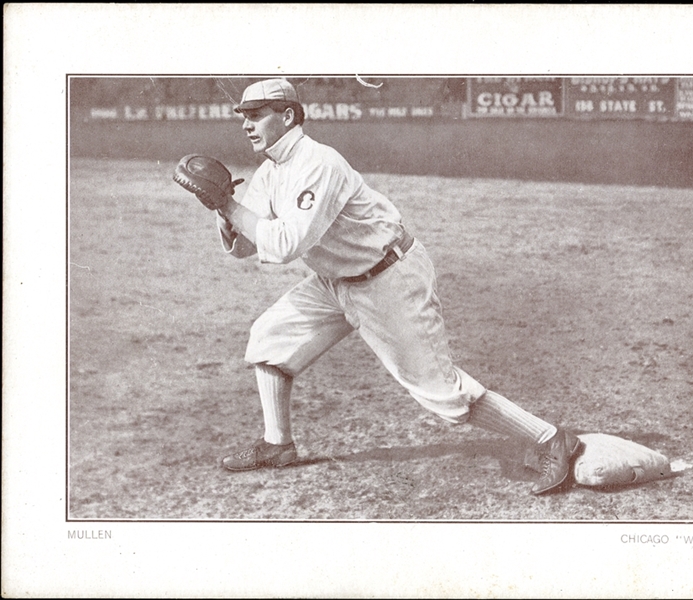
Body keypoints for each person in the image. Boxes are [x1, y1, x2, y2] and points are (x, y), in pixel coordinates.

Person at [212, 78, 580, 495]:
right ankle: (278, 445)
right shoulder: (269, 172)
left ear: (288, 116)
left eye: (257, 114)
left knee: (442, 394)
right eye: (244, 115)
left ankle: (551, 439)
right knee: (268, 339)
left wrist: (228, 205)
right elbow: (246, 245)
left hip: (388, 276)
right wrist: (221, 211)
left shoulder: (318, 163)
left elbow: (283, 245)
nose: (246, 124)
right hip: (335, 283)